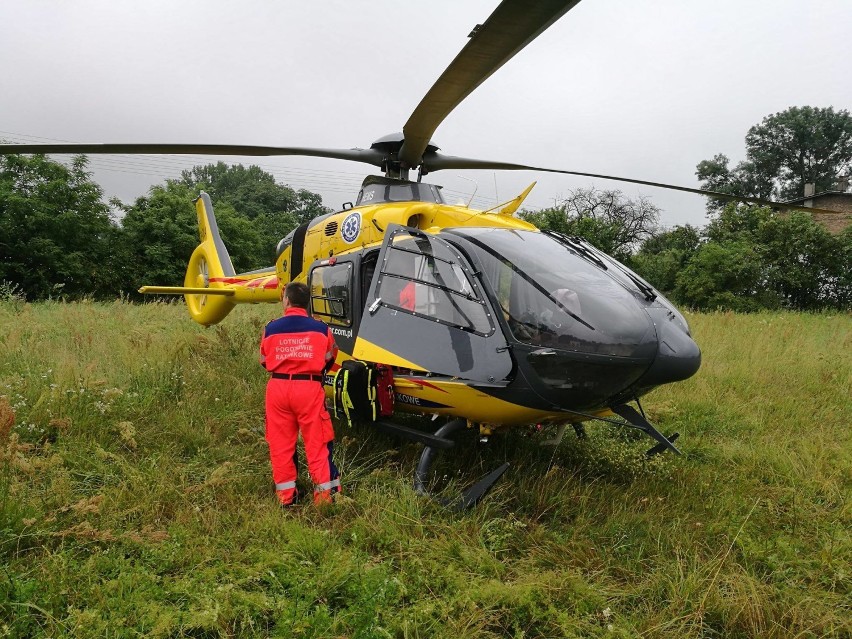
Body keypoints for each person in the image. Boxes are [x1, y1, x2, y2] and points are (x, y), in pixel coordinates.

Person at [260, 282, 340, 506]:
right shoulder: (321, 328)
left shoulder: (271, 328)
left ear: (286, 300)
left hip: (278, 387)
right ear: (307, 303)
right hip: (309, 387)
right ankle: (324, 498)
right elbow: (330, 357)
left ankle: (287, 498)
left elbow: (265, 361)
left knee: (281, 445)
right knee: (317, 443)